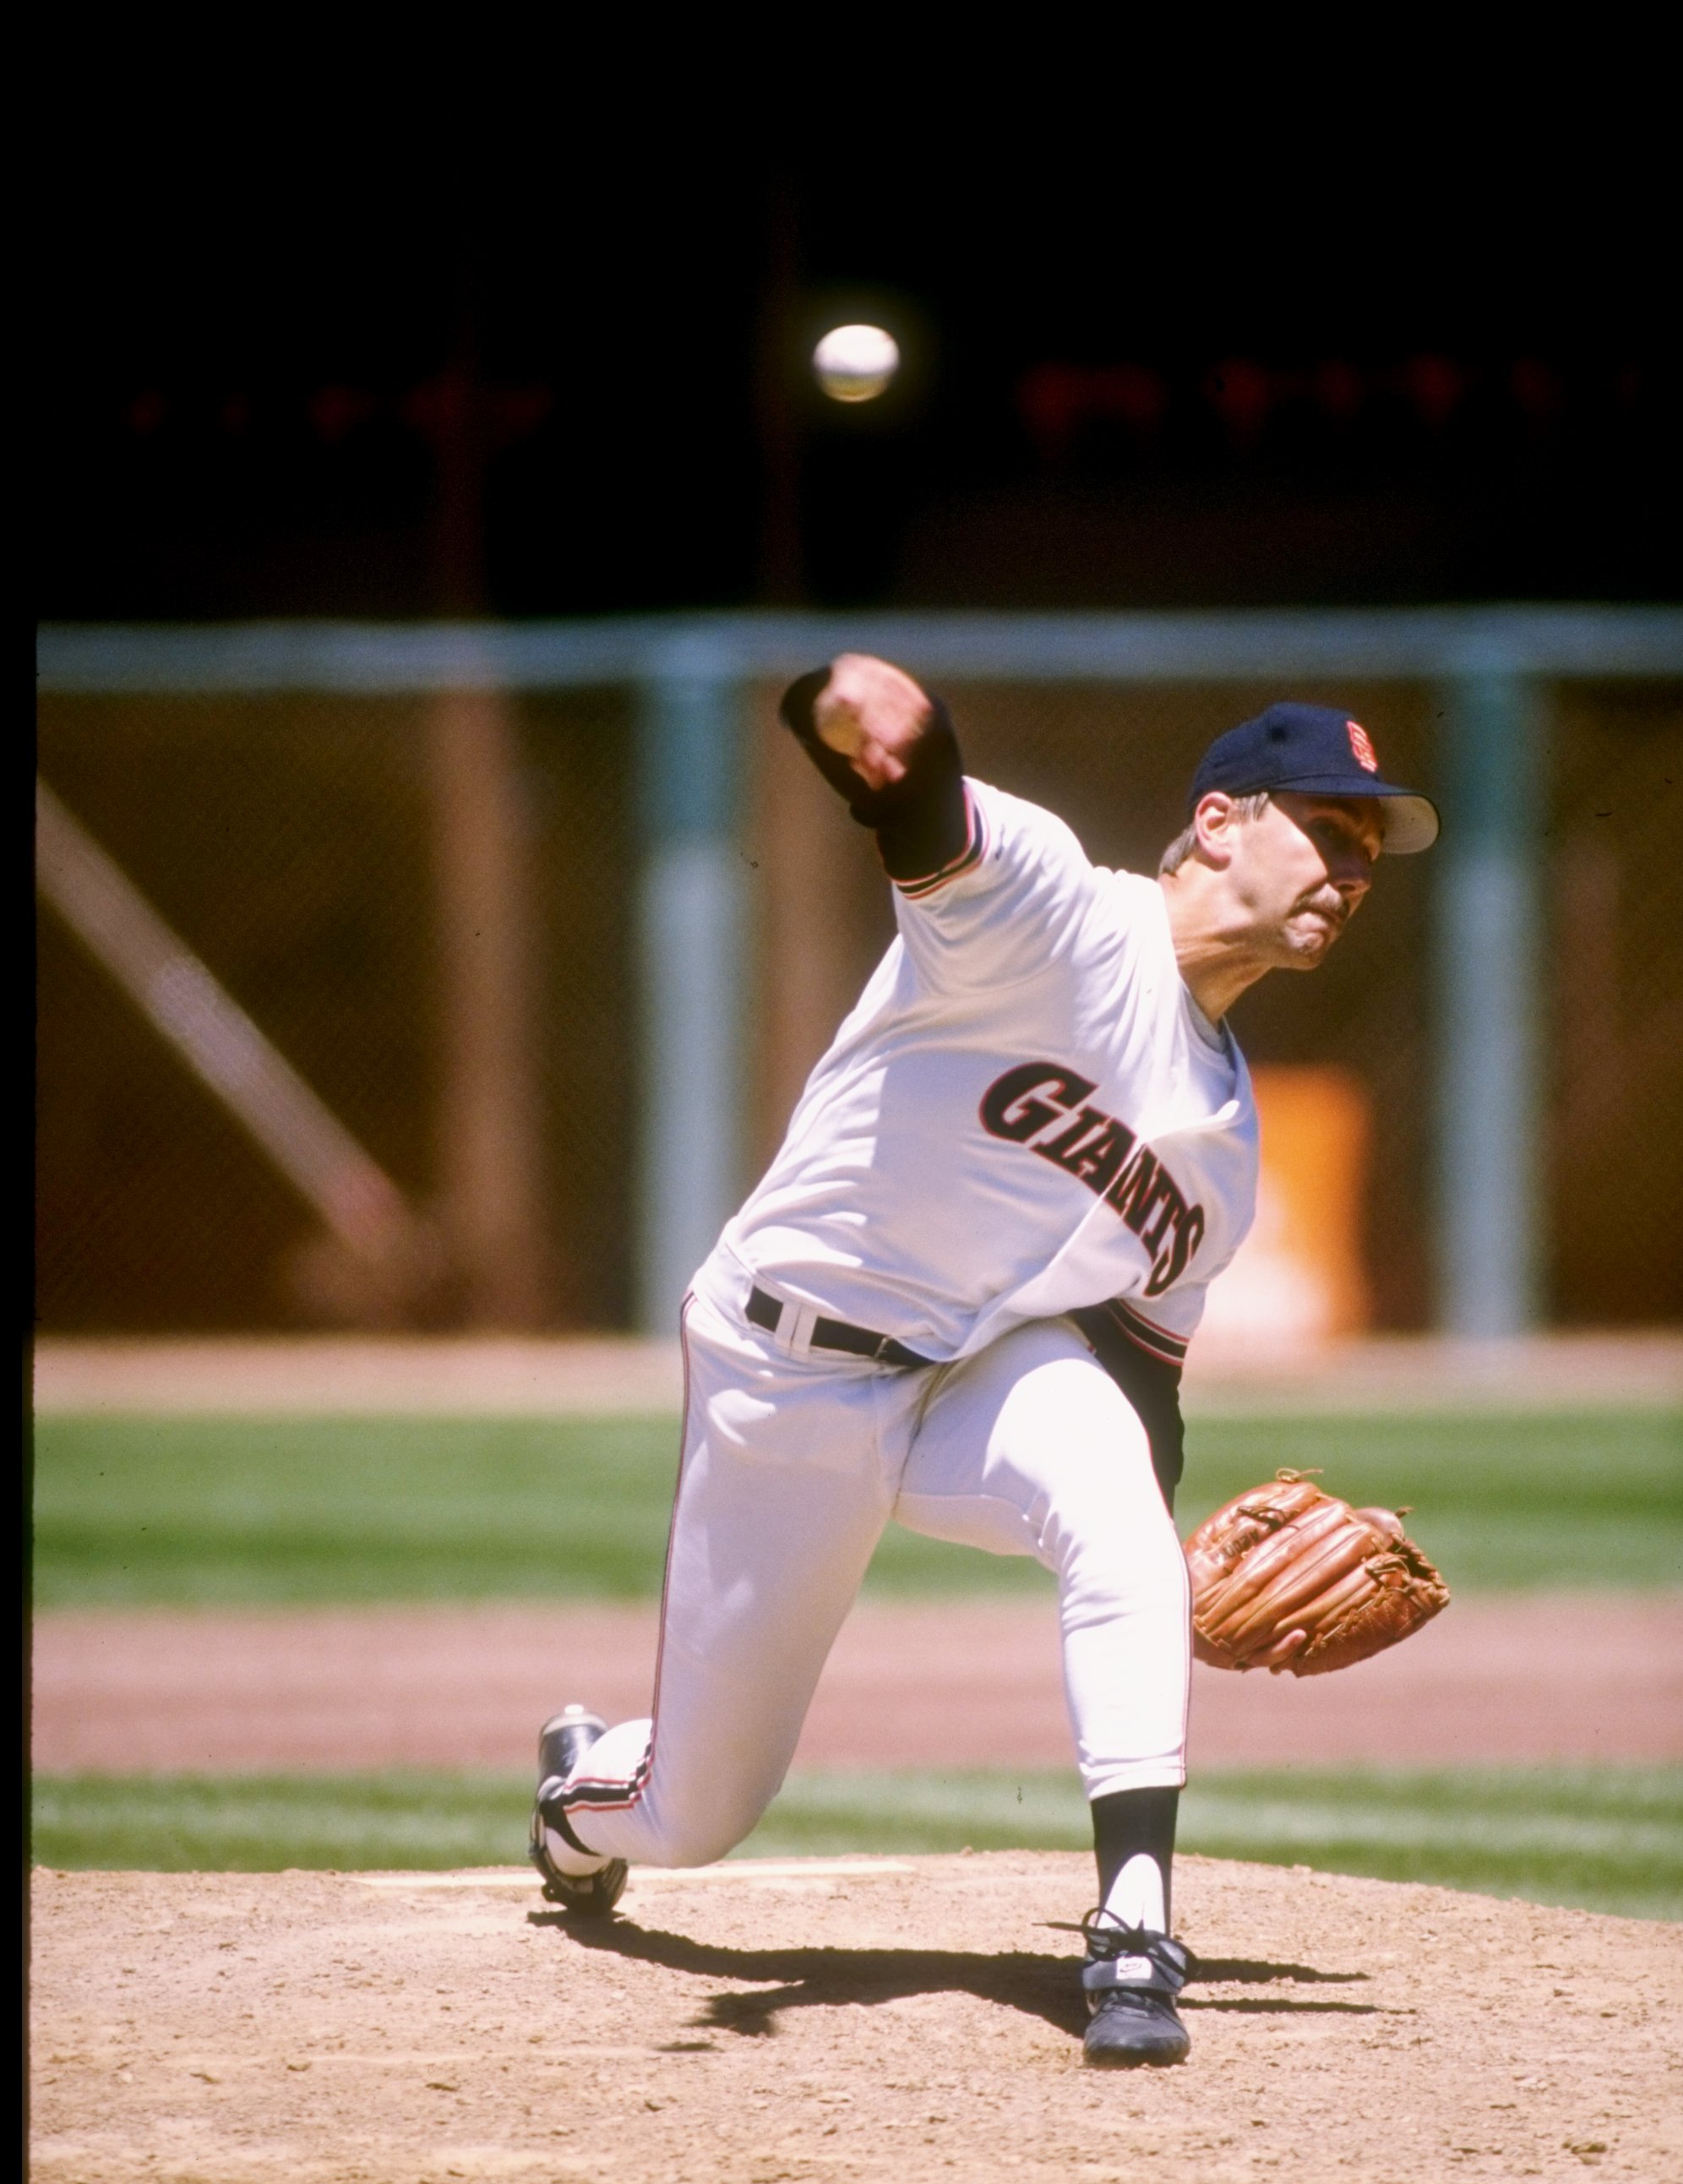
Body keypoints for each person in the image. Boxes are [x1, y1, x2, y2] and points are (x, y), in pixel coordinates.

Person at [531, 656, 1438, 2066]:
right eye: (1329, 829)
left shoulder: (1226, 1156)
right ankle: (580, 1788)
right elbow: (924, 802)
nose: (1352, 869)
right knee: (695, 1815)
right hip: (784, 1378)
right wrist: (871, 730)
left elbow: (1143, 1384)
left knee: (1115, 1497)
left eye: (1368, 853)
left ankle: (1135, 1925)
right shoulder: (1058, 915)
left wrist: (1161, 1552)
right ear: (1216, 822)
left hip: (962, 1377)